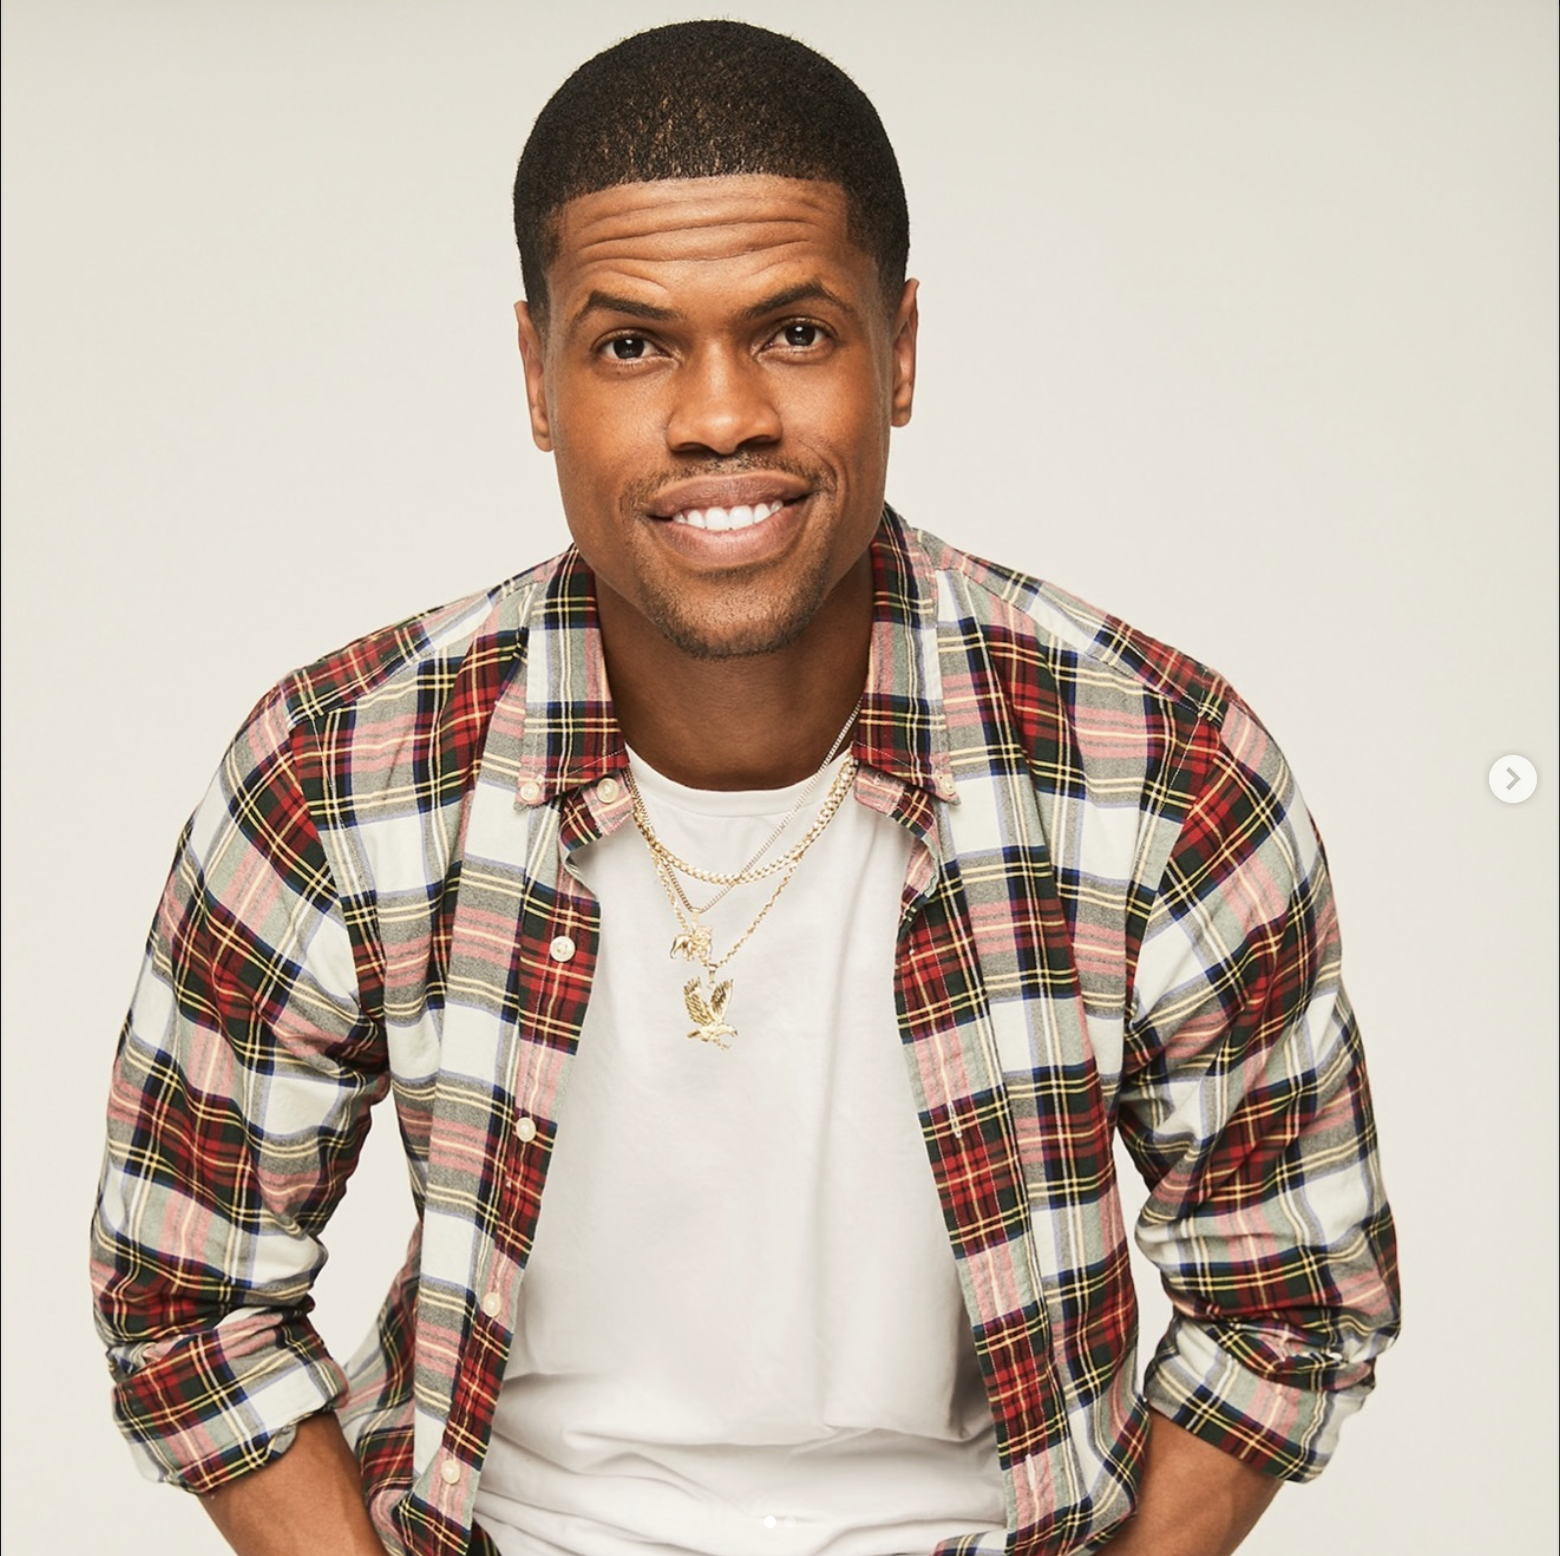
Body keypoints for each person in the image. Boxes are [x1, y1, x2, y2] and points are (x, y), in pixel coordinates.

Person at [90, 20, 1400, 1556]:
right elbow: (188, 1294)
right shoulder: (344, 772)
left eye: (794, 331)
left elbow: (1287, 1295)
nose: (721, 416)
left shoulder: (1158, 766)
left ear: (900, 349)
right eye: (632, 344)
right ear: (536, 376)